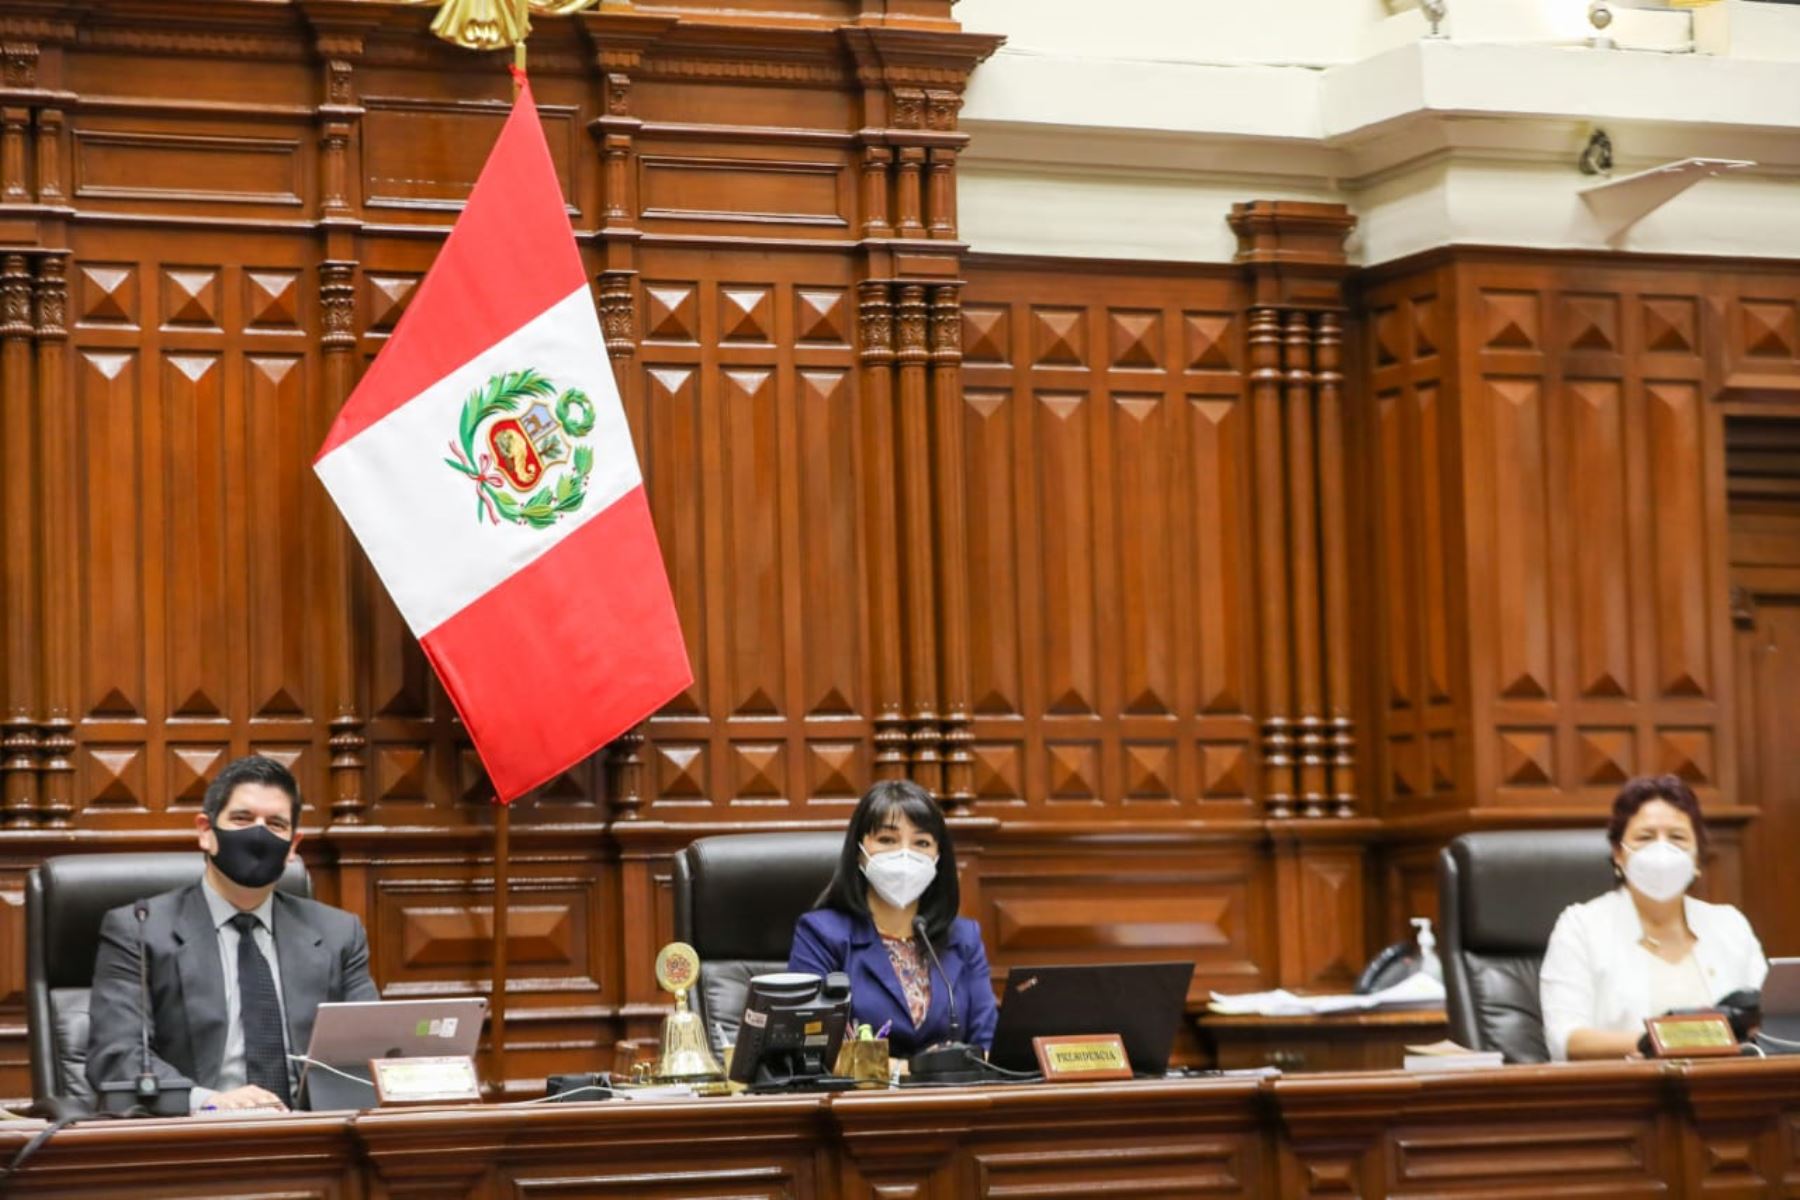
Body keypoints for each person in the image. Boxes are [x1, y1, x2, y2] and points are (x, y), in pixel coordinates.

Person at [86, 755, 377, 1110]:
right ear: (205, 832)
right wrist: (210, 1103)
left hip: (314, 1137)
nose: (258, 834)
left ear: (293, 846)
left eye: (275, 824)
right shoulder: (139, 929)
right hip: (197, 1141)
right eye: (242, 819)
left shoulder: (338, 933)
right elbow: (117, 1057)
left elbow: (370, 1049)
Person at [1539, 774, 1767, 1061]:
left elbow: (1771, 1025)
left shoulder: (1730, 925)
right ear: (1618, 854)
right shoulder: (1581, 926)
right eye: (1645, 838)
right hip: (1622, 1095)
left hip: (1728, 1093)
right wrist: (1660, 1042)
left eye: (1677, 838)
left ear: (1697, 857)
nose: (1662, 850)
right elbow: (1566, 1040)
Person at [789, 780, 998, 1057]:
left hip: (955, 1096)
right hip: (862, 1098)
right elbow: (808, 1042)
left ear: (938, 857)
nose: (905, 853)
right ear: (859, 852)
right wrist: (909, 1072)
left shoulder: (964, 938)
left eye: (921, 842)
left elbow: (988, 1044)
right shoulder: (821, 934)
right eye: (887, 840)